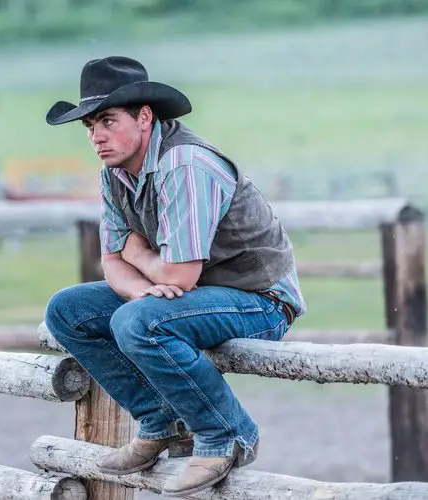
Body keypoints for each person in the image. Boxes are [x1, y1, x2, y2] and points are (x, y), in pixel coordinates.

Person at [43, 56, 306, 497]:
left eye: (107, 120)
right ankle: (161, 421)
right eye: (89, 126)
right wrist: (148, 287)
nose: (97, 137)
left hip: (260, 300)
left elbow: (180, 275)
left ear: (145, 117)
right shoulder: (114, 174)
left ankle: (227, 435)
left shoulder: (185, 164)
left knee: (137, 321)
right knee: (67, 311)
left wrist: (141, 257)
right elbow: (111, 263)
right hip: (195, 295)